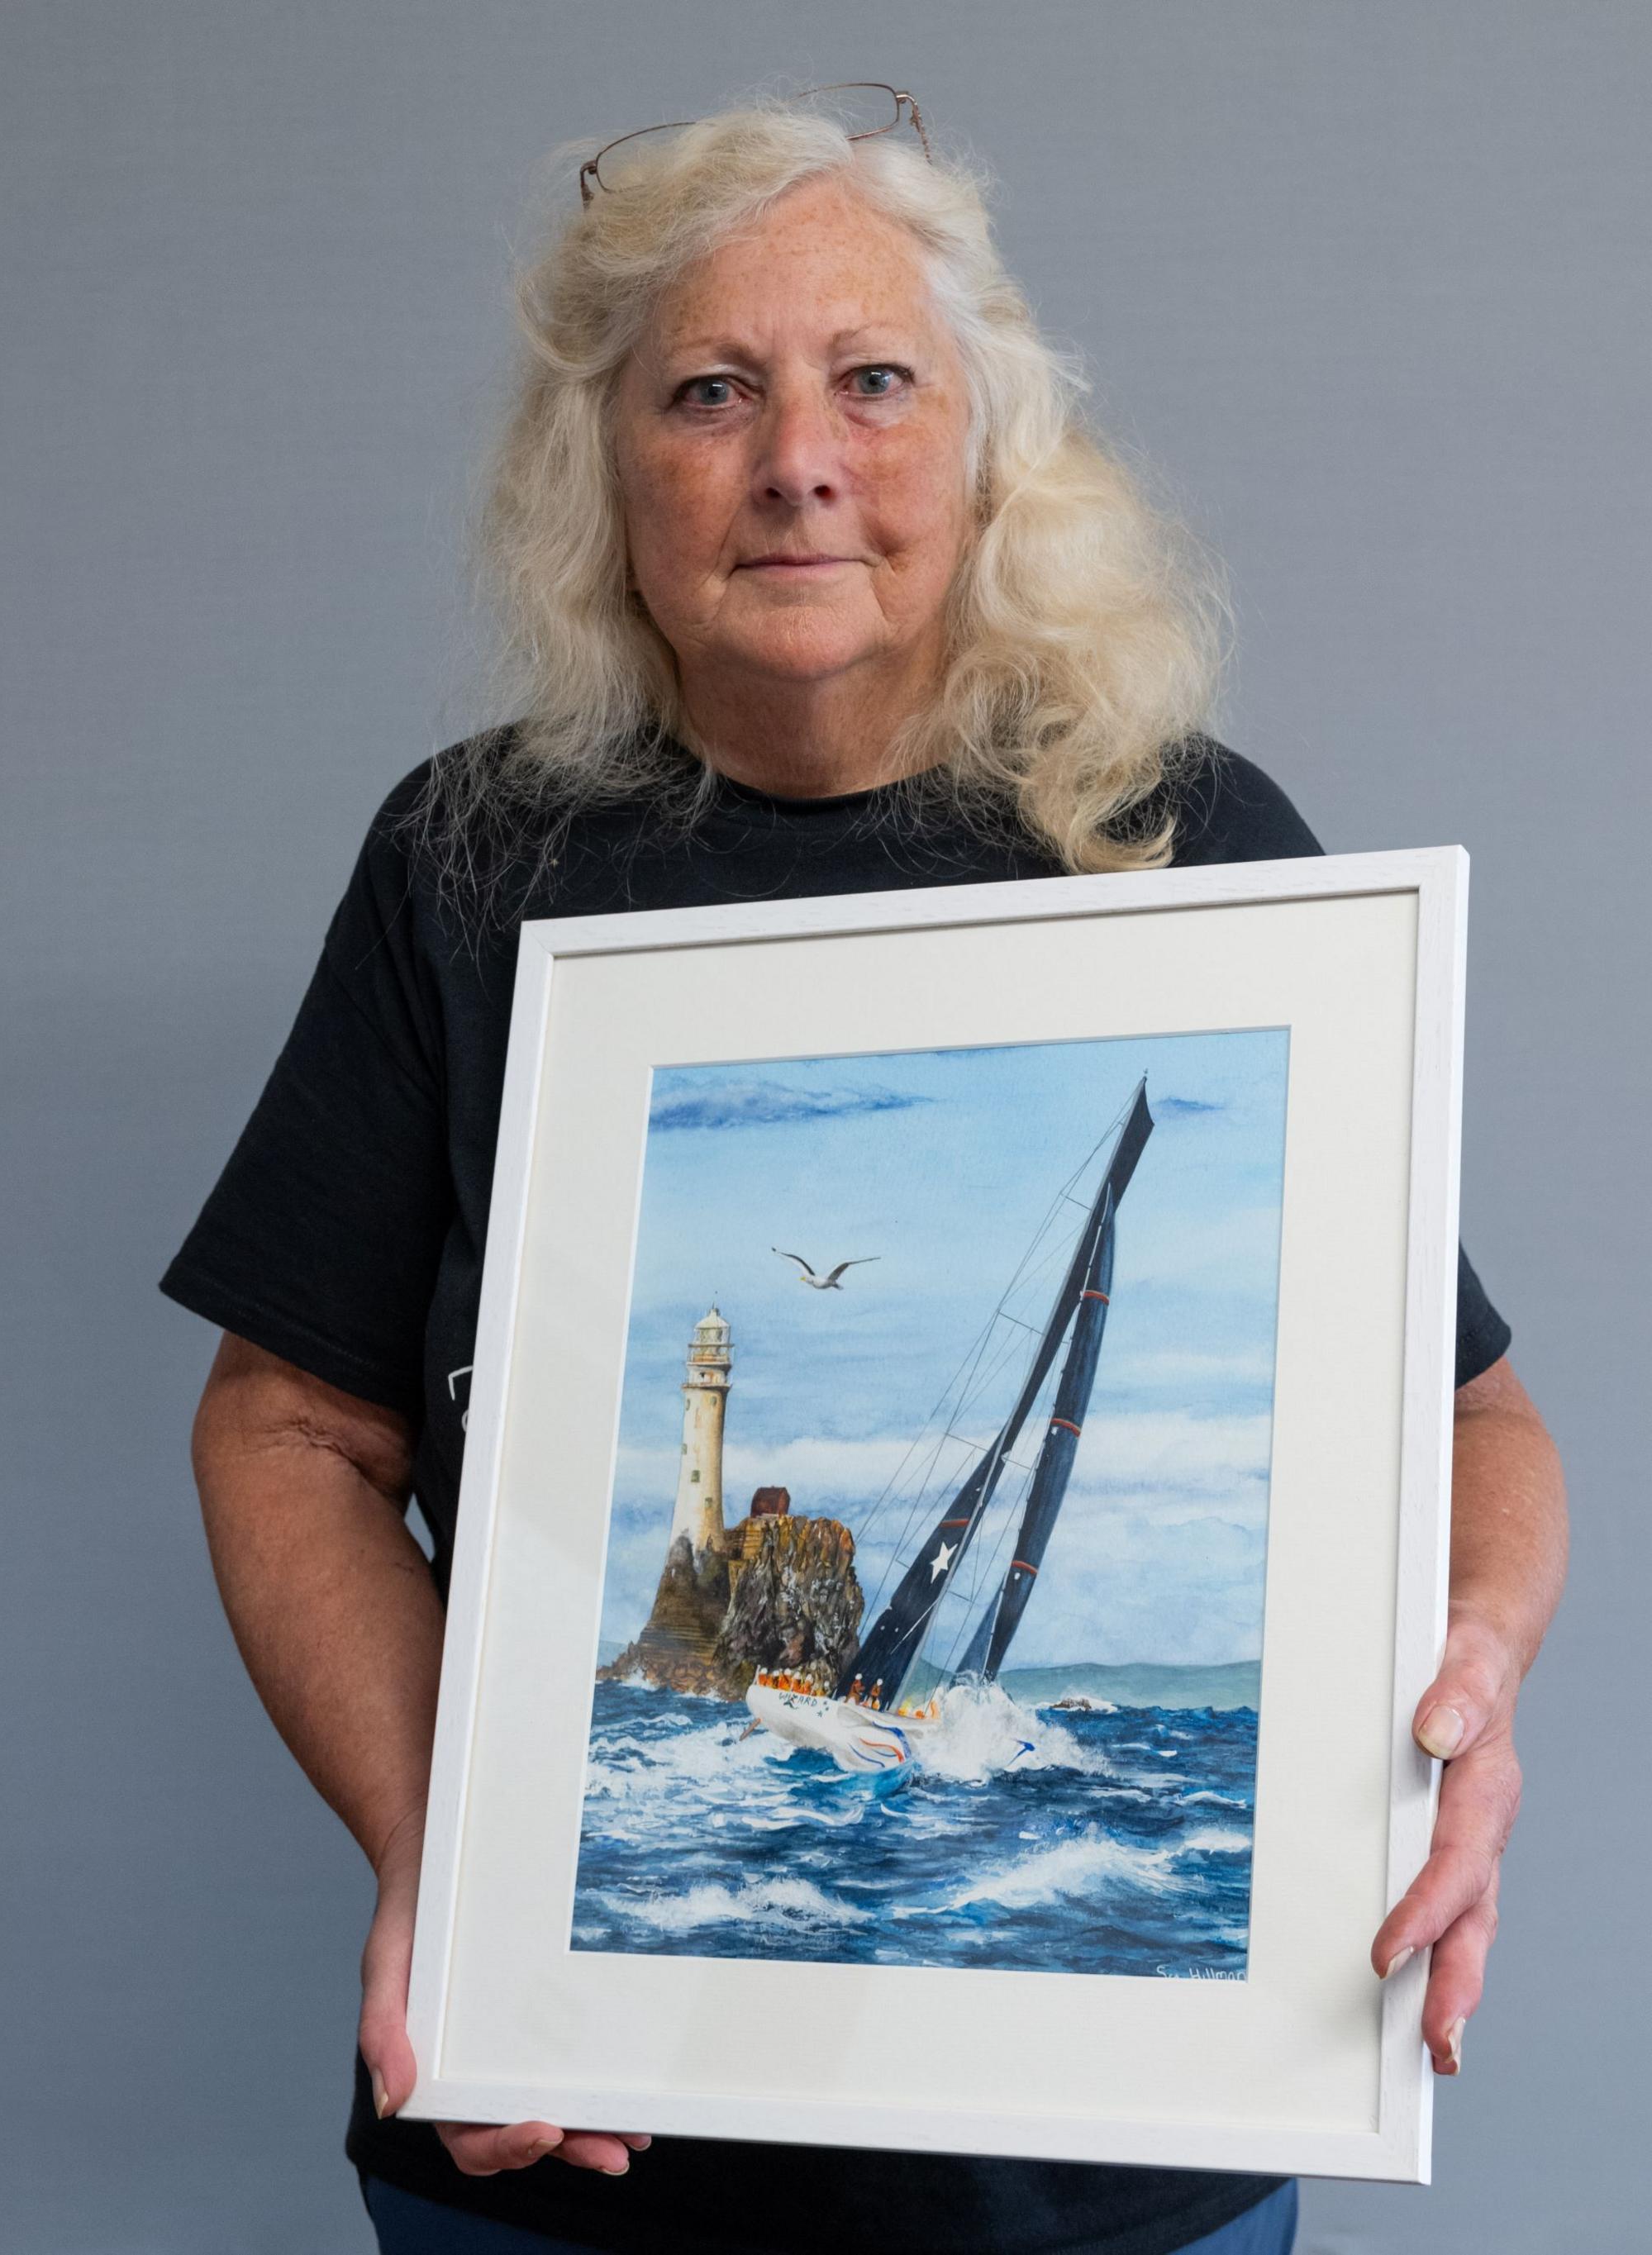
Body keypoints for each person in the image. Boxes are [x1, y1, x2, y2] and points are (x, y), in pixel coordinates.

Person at [164, 94, 1568, 2255]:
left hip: (1112, 2185)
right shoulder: (468, 863)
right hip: (552, 2158)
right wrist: (458, 1853)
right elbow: (284, 1424)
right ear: (605, 473)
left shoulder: (1192, 843)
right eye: (710, 390)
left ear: (988, 445)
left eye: (873, 382)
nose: (798, 457)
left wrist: (1458, 1671)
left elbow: (1472, 1424)